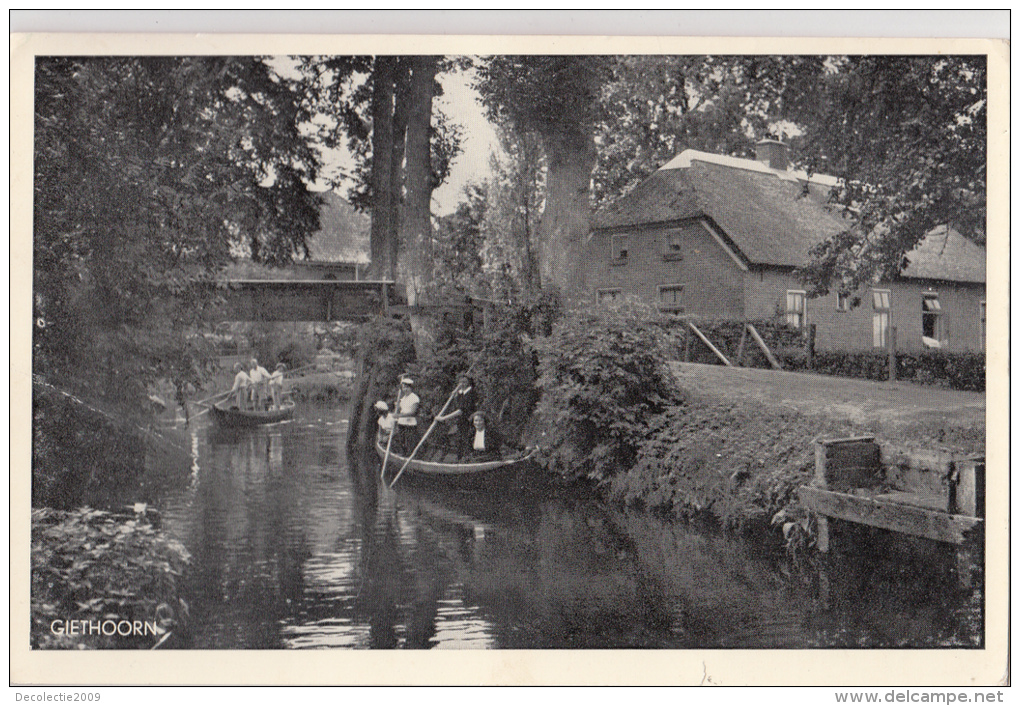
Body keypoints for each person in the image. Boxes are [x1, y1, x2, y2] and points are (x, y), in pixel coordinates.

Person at [434, 374, 478, 460]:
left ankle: (468, 459)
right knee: (459, 440)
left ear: (469, 383)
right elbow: (457, 403)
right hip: (461, 421)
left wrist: (443, 418)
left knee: (466, 440)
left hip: (469, 421)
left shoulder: (471, 394)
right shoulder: (461, 393)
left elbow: (460, 411)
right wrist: (455, 395)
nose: (462, 384)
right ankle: (460, 459)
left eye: (464, 382)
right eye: (460, 382)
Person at [393, 375, 420, 455]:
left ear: (411, 388)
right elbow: (400, 410)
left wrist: (398, 416)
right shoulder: (403, 398)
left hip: (410, 424)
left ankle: (410, 459)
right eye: (404, 387)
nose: (405, 389)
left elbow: (413, 413)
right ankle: (402, 456)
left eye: (407, 387)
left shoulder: (414, 398)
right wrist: (397, 406)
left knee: (409, 443)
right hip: (401, 423)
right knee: (401, 442)